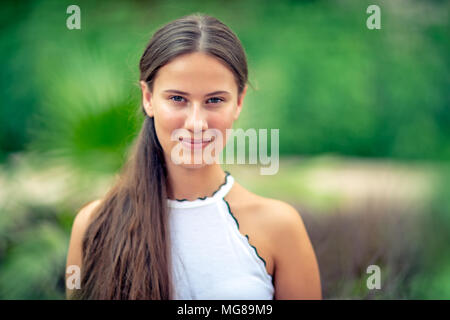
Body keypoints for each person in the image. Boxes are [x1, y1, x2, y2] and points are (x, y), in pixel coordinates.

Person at [65, 13, 321, 300]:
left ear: (239, 102)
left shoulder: (280, 227)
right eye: (177, 99)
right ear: (148, 98)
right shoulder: (95, 225)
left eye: (214, 100)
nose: (196, 123)